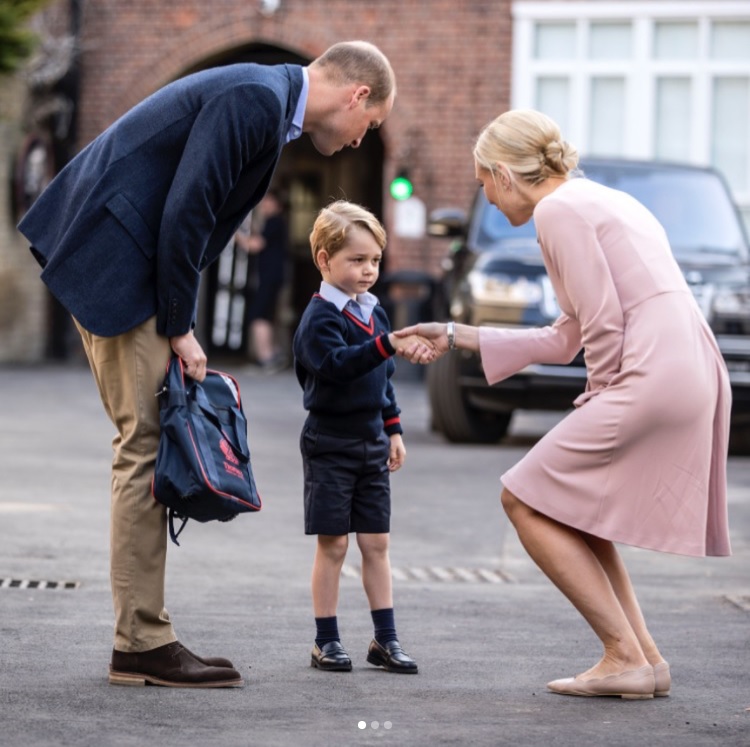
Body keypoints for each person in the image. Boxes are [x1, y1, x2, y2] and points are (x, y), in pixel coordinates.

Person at [16, 41, 396, 689]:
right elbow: (187, 210)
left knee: (142, 441)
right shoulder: (256, 97)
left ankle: (141, 637)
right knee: (143, 445)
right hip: (121, 263)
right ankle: (140, 641)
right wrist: (179, 323)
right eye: (373, 124)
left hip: (125, 260)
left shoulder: (268, 100)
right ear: (357, 95)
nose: (365, 140)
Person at [397, 109, 732, 699]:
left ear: (504, 173)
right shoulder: (600, 200)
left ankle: (623, 654)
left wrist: (598, 396)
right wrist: (452, 334)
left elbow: (601, 324)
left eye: (483, 186)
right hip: (688, 366)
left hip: (648, 373)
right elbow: (564, 334)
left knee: (522, 497)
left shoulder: (557, 211)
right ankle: (644, 659)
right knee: (578, 510)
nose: (491, 203)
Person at [293, 201, 427, 675]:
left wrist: (393, 430)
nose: (368, 270)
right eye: (356, 259)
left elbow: (382, 379)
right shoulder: (319, 319)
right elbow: (339, 367)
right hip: (330, 443)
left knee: (377, 544)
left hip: (372, 443)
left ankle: (384, 640)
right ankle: (325, 641)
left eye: (374, 260)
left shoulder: (375, 313)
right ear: (325, 260)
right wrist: (385, 345)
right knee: (334, 545)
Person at [235, 190, 289, 371]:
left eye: (267, 201)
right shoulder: (275, 222)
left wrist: (233, 233)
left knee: (258, 314)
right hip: (272, 276)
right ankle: (270, 354)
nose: (263, 205)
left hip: (269, 276)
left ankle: (266, 358)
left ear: (276, 204)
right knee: (264, 314)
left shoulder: (275, 221)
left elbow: (254, 245)